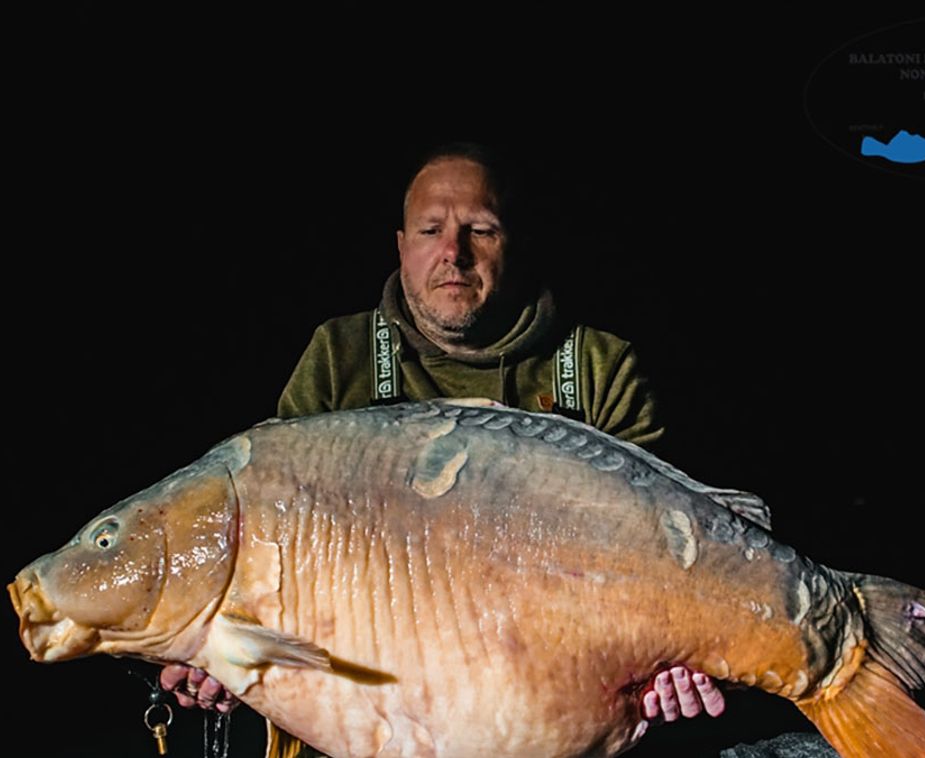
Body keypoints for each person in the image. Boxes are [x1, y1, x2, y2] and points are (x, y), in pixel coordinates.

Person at [161, 144, 725, 746]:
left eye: (480, 230)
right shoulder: (339, 358)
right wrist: (216, 653)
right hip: (382, 704)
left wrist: (676, 659)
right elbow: (277, 547)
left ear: (516, 242)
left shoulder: (596, 365)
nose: (453, 253)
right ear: (402, 245)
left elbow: (672, 555)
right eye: (431, 230)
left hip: (551, 700)